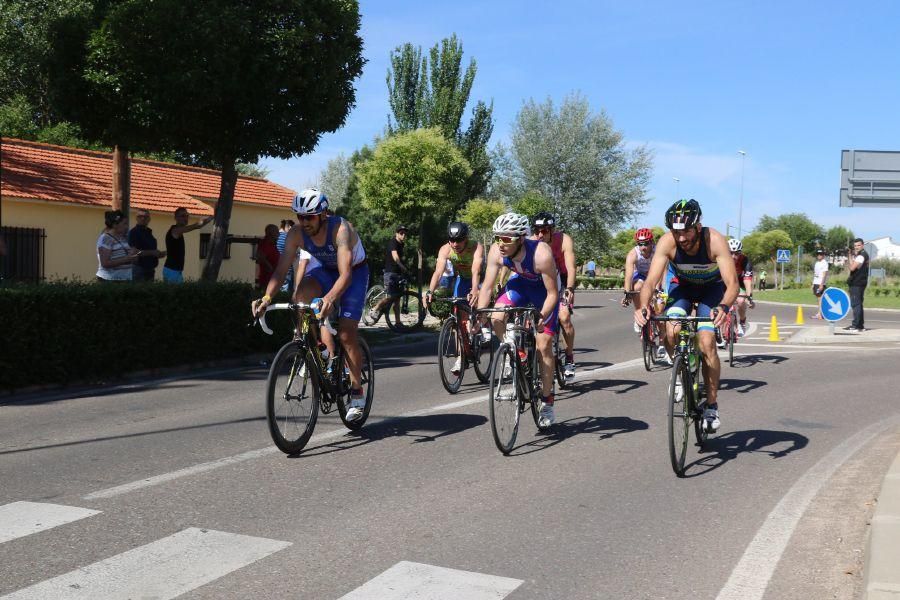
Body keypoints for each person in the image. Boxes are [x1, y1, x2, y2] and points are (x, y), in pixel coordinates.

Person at [252, 188, 370, 421]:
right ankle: (319, 348)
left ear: (323, 214)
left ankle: (357, 392)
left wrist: (329, 299)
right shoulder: (296, 234)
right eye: (300, 216)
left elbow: (345, 275)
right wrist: (266, 298)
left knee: (346, 333)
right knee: (300, 298)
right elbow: (281, 269)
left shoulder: (341, 230)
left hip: (353, 273)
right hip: (324, 270)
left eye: (310, 216)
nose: (304, 222)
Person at [634, 199, 739, 433]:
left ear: (698, 227)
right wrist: (643, 307)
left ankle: (711, 406)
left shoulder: (715, 241)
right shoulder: (667, 242)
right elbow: (650, 281)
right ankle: (683, 370)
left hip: (711, 292)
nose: (681, 238)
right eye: (676, 232)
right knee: (671, 331)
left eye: (687, 231)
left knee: (706, 342)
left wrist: (723, 306)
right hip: (682, 287)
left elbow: (733, 284)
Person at [477, 212, 560, 428]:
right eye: (497, 238)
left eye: (507, 239)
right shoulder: (496, 251)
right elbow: (486, 287)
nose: (501, 244)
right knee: (496, 317)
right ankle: (513, 351)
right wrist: (479, 316)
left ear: (521, 238)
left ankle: (547, 401)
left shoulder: (541, 254)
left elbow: (553, 294)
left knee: (544, 345)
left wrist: (541, 317)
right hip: (520, 285)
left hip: (543, 292)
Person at [423, 222, 486, 375]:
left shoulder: (476, 247)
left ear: (466, 239)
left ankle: (482, 324)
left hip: (480, 279)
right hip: (463, 280)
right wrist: (430, 292)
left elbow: (476, 270)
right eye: (452, 240)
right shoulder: (445, 249)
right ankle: (461, 357)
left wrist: (475, 290)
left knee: (477, 305)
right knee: (458, 315)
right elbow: (438, 273)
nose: (455, 244)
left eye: (459, 240)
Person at [532, 211, 577, 380]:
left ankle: (570, 358)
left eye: (544, 230)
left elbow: (571, 268)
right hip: (544, 280)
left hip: (563, 280)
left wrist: (570, 289)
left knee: (564, 317)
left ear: (552, 230)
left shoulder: (564, 240)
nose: (540, 235)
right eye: (536, 231)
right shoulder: (532, 241)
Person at [621, 227, 668, 361]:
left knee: (659, 311)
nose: (643, 247)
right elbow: (628, 276)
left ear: (651, 242)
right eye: (640, 244)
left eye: (646, 243)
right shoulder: (633, 254)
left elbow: (663, 273)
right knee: (636, 287)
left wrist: (660, 289)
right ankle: (639, 313)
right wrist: (627, 293)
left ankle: (662, 344)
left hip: (656, 275)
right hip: (641, 276)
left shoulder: (657, 252)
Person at [368, 224, 410, 322]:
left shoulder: (401, 244)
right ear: (397, 233)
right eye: (401, 233)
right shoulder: (393, 242)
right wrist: (403, 267)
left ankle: (398, 322)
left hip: (398, 273)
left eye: (405, 233)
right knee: (391, 296)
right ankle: (374, 309)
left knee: (397, 299)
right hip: (390, 273)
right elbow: (395, 257)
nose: (403, 235)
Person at [163, 207, 213, 282]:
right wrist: (213, 216)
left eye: (187, 216)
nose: (185, 218)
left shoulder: (178, 231)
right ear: (176, 218)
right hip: (172, 271)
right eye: (183, 216)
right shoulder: (176, 230)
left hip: (174, 270)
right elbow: (198, 225)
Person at [97, 210, 139, 282]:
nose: (126, 227)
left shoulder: (123, 238)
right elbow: (105, 263)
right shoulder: (106, 238)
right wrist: (126, 259)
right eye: (124, 224)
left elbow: (130, 258)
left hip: (125, 278)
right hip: (110, 280)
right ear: (115, 225)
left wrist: (134, 255)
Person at [128, 208, 166, 281]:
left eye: (145, 217)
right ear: (136, 218)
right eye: (140, 216)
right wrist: (152, 252)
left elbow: (152, 252)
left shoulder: (149, 233)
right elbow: (134, 253)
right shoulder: (134, 232)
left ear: (149, 219)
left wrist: (160, 254)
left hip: (150, 270)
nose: (143, 218)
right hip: (138, 270)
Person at [727, 238, 754, 338]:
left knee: (741, 301)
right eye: (731, 253)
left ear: (741, 253)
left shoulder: (745, 261)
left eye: (737, 253)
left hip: (739, 281)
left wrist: (749, 296)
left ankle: (742, 322)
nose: (734, 256)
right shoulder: (721, 258)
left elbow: (747, 280)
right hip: (724, 281)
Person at [845, 238, 869, 332]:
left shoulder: (861, 256)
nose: (856, 247)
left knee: (856, 304)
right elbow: (854, 266)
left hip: (857, 283)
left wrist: (851, 261)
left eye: (858, 245)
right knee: (858, 304)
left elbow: (852, 268)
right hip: (860, 282)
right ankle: (860, 326)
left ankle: (855, 326)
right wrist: (850, 255)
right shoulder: (862, 255)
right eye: (855, 246)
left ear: (862, 245)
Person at [256, 224, 281, 290]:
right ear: (270, 233)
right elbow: (260, 258)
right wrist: (270, 268)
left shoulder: (273, 244)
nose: (279, 234)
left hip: (273, 280)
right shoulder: (265, 244)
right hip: (267, 281)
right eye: (277, 232)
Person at [277, 220, 295, 293]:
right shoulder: (288, 237)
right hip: (287, 268)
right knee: (285, 293)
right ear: (290, 227)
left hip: (276, 268)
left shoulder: (275, 236)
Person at [811, 249, 829, 319]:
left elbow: (824, 274)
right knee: (818, 299)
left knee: (820, 299)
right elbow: (815, 274)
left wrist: (822, 284)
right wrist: (813, 283)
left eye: (821, 254)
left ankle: (820, 314)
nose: (819, 255)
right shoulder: (817, 263)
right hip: (816, 283)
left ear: (823, 255)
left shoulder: (824, 263)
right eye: (818, 254)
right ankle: (819, 313)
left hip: (820, 283)